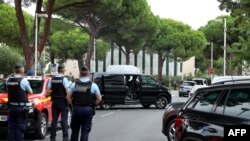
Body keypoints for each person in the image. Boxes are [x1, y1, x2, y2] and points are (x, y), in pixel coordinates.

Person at [67, 66, 102, 141]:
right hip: (88, 109)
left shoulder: (74, 85)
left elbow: (68, 97)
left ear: (80, 73)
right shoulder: (93, 85)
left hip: (76, 109)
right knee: (85, 131)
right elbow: (99, 99)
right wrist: (93, 105)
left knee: (75, 131)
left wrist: (72, 105)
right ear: (88, 74)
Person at [7, 64, 33, 141]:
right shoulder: (23, 81)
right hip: (21, 108)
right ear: (22, 71)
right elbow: (30, 92)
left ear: (14, 70)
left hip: (11, 107)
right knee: (20, 129)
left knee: (11, 128)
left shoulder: (9, 80)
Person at [47, 63, 70, 141]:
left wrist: (54, 91)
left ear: (58, 70)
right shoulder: (64, 79)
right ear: (63, 70)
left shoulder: (52, 79)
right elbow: (68, 92)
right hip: (62, 101)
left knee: (54, 120)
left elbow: (48, 91)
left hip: (55, 102)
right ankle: (65, 137)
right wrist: (68, 100)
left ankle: (52, 138)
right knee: (64, 120)